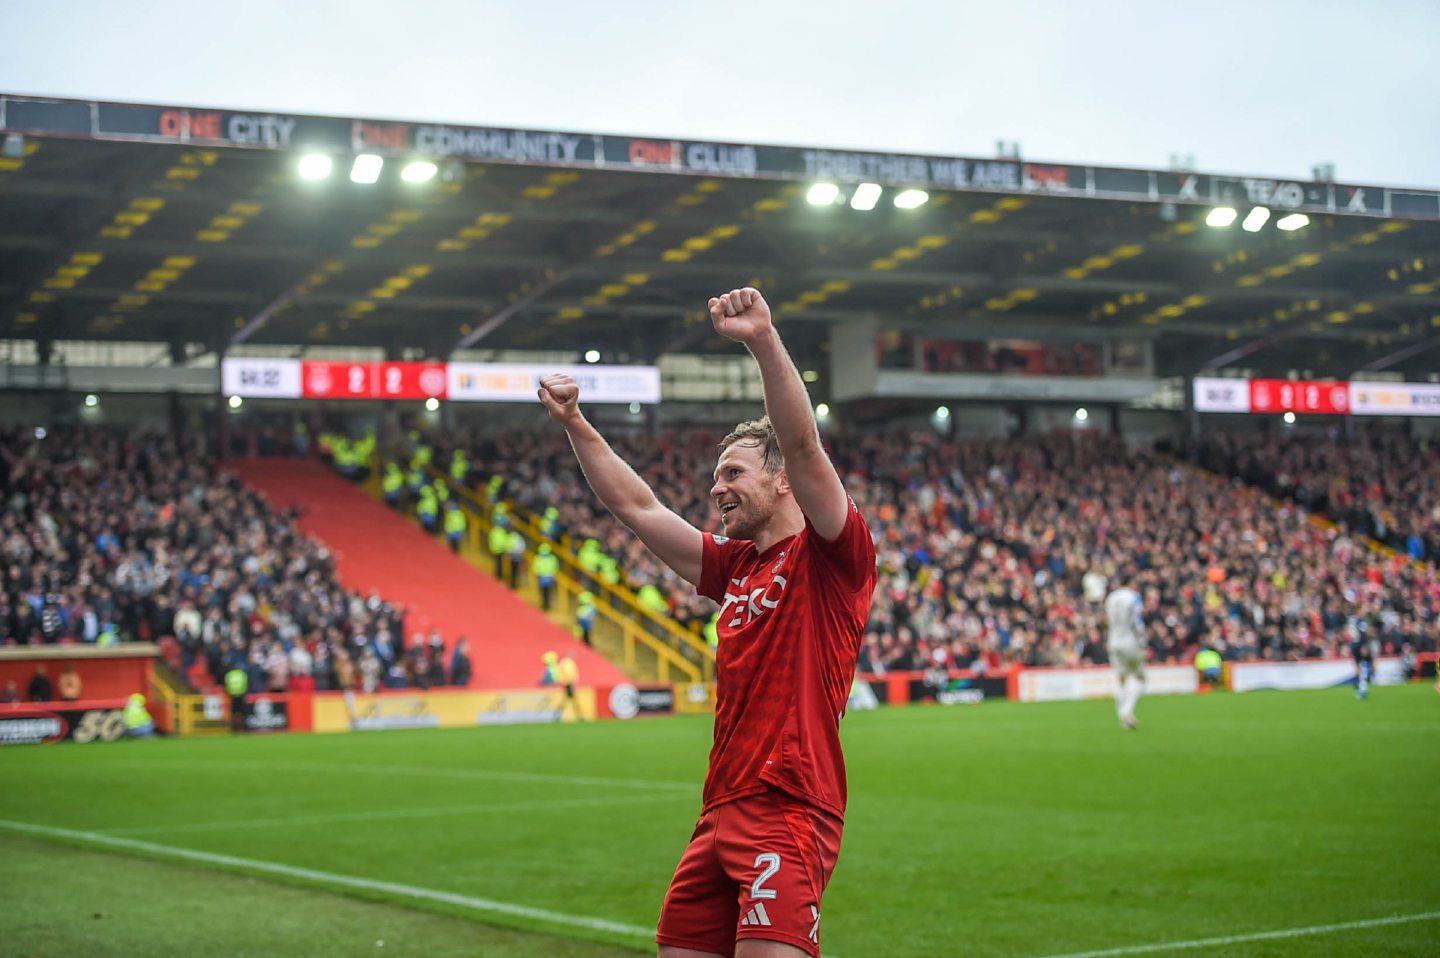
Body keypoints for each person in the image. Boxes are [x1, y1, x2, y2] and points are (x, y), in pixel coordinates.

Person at [539, 286, 876, 958]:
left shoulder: (833, 557)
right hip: (717, 813)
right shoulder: (734, 568)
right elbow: (637, 508)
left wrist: (761, 340)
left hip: (788, 808)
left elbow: (805, 448)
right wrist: (576, 423)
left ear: (781, 483)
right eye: (715, 476)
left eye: (733, 473)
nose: (717, 488)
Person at [1105, 567, 1147, 729]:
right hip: (1131, 641)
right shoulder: (1133, 597)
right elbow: (1137, 623)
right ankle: (1126, 710)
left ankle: (1124, 718)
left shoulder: (1111, 598)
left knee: (1120, 677)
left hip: (1114, 640)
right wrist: (1142, 644)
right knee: (1140, 678)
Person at [533, 544, 560, 611]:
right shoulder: (552, 558)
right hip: (549, 577)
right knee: (548, 592)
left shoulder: (538, 557)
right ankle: (547, 604)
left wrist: (537, 574)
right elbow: (556, 567)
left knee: (544, 591)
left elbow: (535, 567)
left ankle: (545, 604)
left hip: (542, 577)